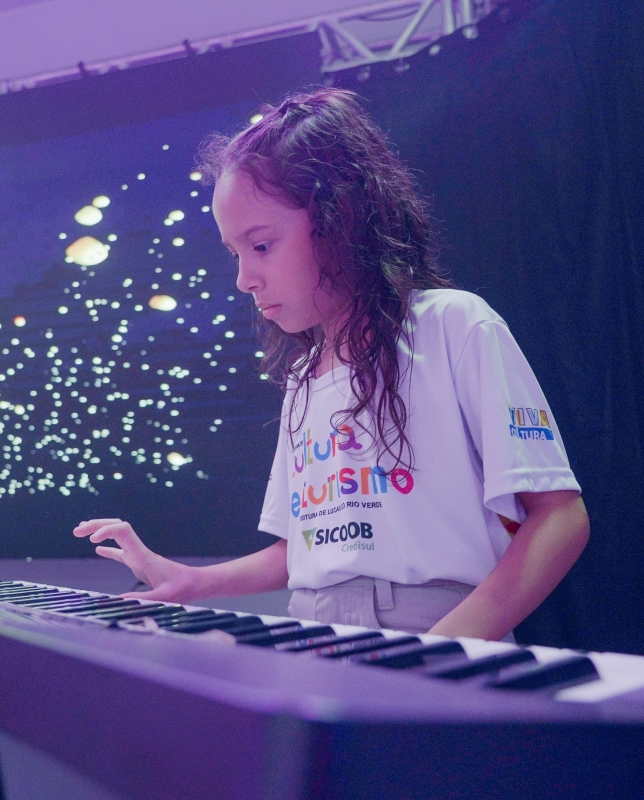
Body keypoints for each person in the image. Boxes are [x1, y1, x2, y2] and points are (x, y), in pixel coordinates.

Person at [74, 88, 589, 642]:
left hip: (439, 628)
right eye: (234, 253)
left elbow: (559, 515)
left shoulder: (454, 326)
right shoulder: (303, 378)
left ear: (340, 219)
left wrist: (441, 647)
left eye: (261, 246)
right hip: (312, 631)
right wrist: (193, 581)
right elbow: (303, 550)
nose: (244, 279)